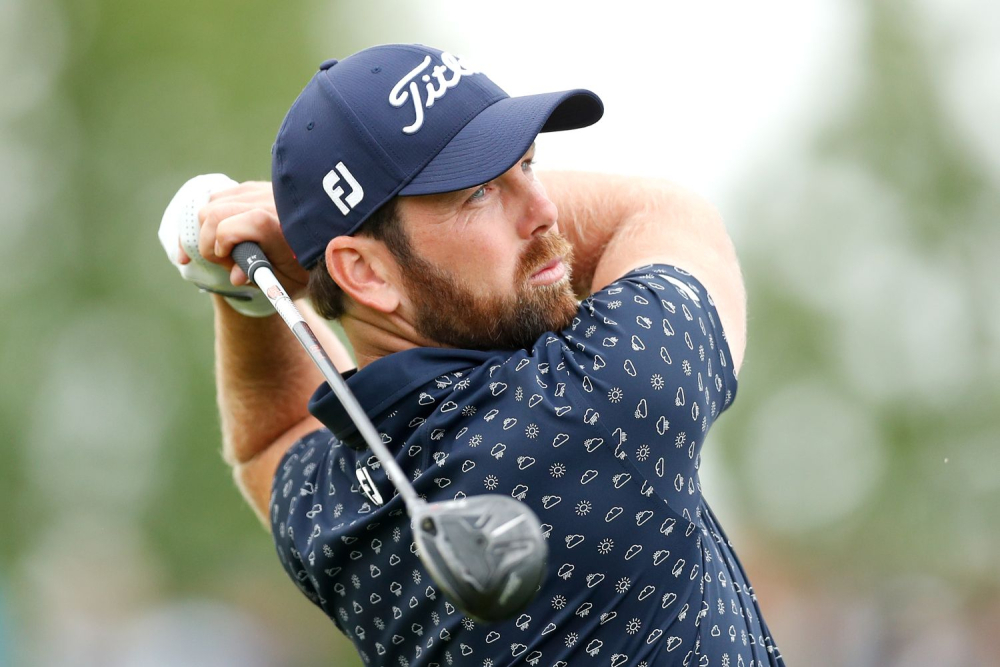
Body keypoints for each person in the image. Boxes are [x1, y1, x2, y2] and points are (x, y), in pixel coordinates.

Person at [168, 44, 785, 666]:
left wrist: (245, 293)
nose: (544, 212)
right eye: (480, 192)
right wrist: (301, 248)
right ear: (364, 273)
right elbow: (659, 213)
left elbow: (272, 439)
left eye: (528, 166)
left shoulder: (338, 514)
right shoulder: (596, 400)